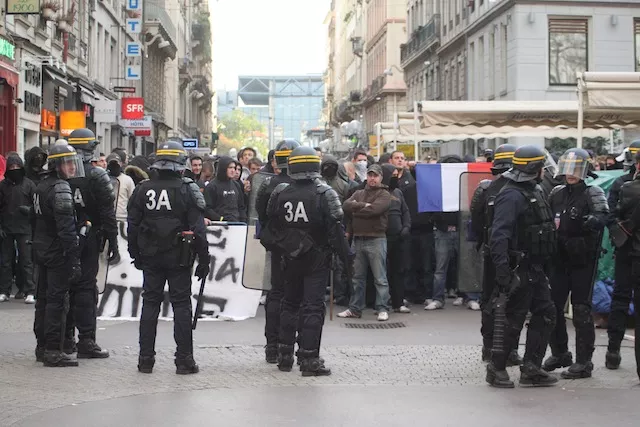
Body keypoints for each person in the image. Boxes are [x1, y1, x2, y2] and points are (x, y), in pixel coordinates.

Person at [127, 140, 210, 374]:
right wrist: (204, 259)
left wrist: (136, 253)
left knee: (150, 304)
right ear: (179, 164)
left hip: (151, 255)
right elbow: (198, 229)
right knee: (182, 305)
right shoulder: (187, 188)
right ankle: (184, 360)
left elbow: (132, 225)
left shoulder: (143, 188)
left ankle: (145, 360)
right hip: (180, 256)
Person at [264, 146, 348, 376]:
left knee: (289, 305)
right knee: (312, 307)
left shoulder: (280, 192)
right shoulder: (325, 193)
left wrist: (282, 247)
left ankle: (284, 356)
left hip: (288, 258)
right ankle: (309, 360)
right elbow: (336, 231)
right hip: (317, 258)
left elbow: (271, 226)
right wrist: (346, 259)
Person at [486, 145, 558, 388]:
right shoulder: (512, 195)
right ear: (534, 168)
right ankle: (496, 368)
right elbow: (499, 235)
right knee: (512, 319)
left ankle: (531, 368)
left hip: (535, 267)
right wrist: (503, 270)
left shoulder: (532, 189)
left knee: (546, 313)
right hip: (519, 267)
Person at [542, 148, 608, 379]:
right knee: (551, 308)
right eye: (568, 169)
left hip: (582, 260)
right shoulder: (556, 193)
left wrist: (593, 220)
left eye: (576, 169)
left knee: (581, 310)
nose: (571, 174)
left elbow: (604, 216)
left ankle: (584, 362)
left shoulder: (593, 192)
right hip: (558, 258)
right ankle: (560, 353)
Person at [66, 128, 118, 359]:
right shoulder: (97, 175)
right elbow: (108, 211)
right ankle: (86, 339)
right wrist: (113, 241)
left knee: (64, 288)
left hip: (64, 237)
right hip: (89, 237)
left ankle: (64, 339)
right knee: (86, 288)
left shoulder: (59, 173)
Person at [469, 144, 522, 366]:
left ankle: (491, 348)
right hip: (510, 253)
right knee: (509, 303)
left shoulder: (486, 188)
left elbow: (476, 221)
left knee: (492, 302)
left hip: (494, 252)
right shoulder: (511, 189)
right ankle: (504, 350)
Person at [32, 144, 83, 367]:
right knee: (56, 302)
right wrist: (73, 259)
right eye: (68, 162)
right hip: (56, 252)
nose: (72, 167)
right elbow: (66, 229)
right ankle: (53, 350)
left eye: (73, 162)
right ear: (56, 165)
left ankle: (42, 346)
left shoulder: (40, 186)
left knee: (42, 300)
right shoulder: (61, 188)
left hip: (41, 249)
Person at [257, 139, 300, 363]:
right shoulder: (310, 186)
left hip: (277, 247)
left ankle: (272, 346)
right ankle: (294, 348)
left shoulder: (268, 185)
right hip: (302, 250)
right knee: (297, 299)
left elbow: (260, 214)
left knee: (276, 294)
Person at [606, 140, 640, 370]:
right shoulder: (621, 183)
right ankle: (613, 349)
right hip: (628, 249)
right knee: (621, 298)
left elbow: (610, 215)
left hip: (626, 248)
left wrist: (621, 232)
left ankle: (613, 350)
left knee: (620, 297)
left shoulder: (621, 183)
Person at [0, 154, 36, 303]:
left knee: (26, 260)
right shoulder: (2, 186)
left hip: (25, 227)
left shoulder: (29, 184)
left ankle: (30, 290)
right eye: (11, 167)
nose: (14, 169)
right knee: (5, 261)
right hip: (7, 228)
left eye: (16, 167)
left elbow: (36, 205)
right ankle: (4, 290)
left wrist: (29, 211)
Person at [203, 156, 246, 222]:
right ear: (223, 168)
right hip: (219, 225)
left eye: (234, 168)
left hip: (237, 225)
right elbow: (207, 209)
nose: (233, 170)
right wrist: (221, 219)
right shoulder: (212, 186)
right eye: (230, 167)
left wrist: (243, 221)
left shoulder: (236, 185)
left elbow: (241, 206)